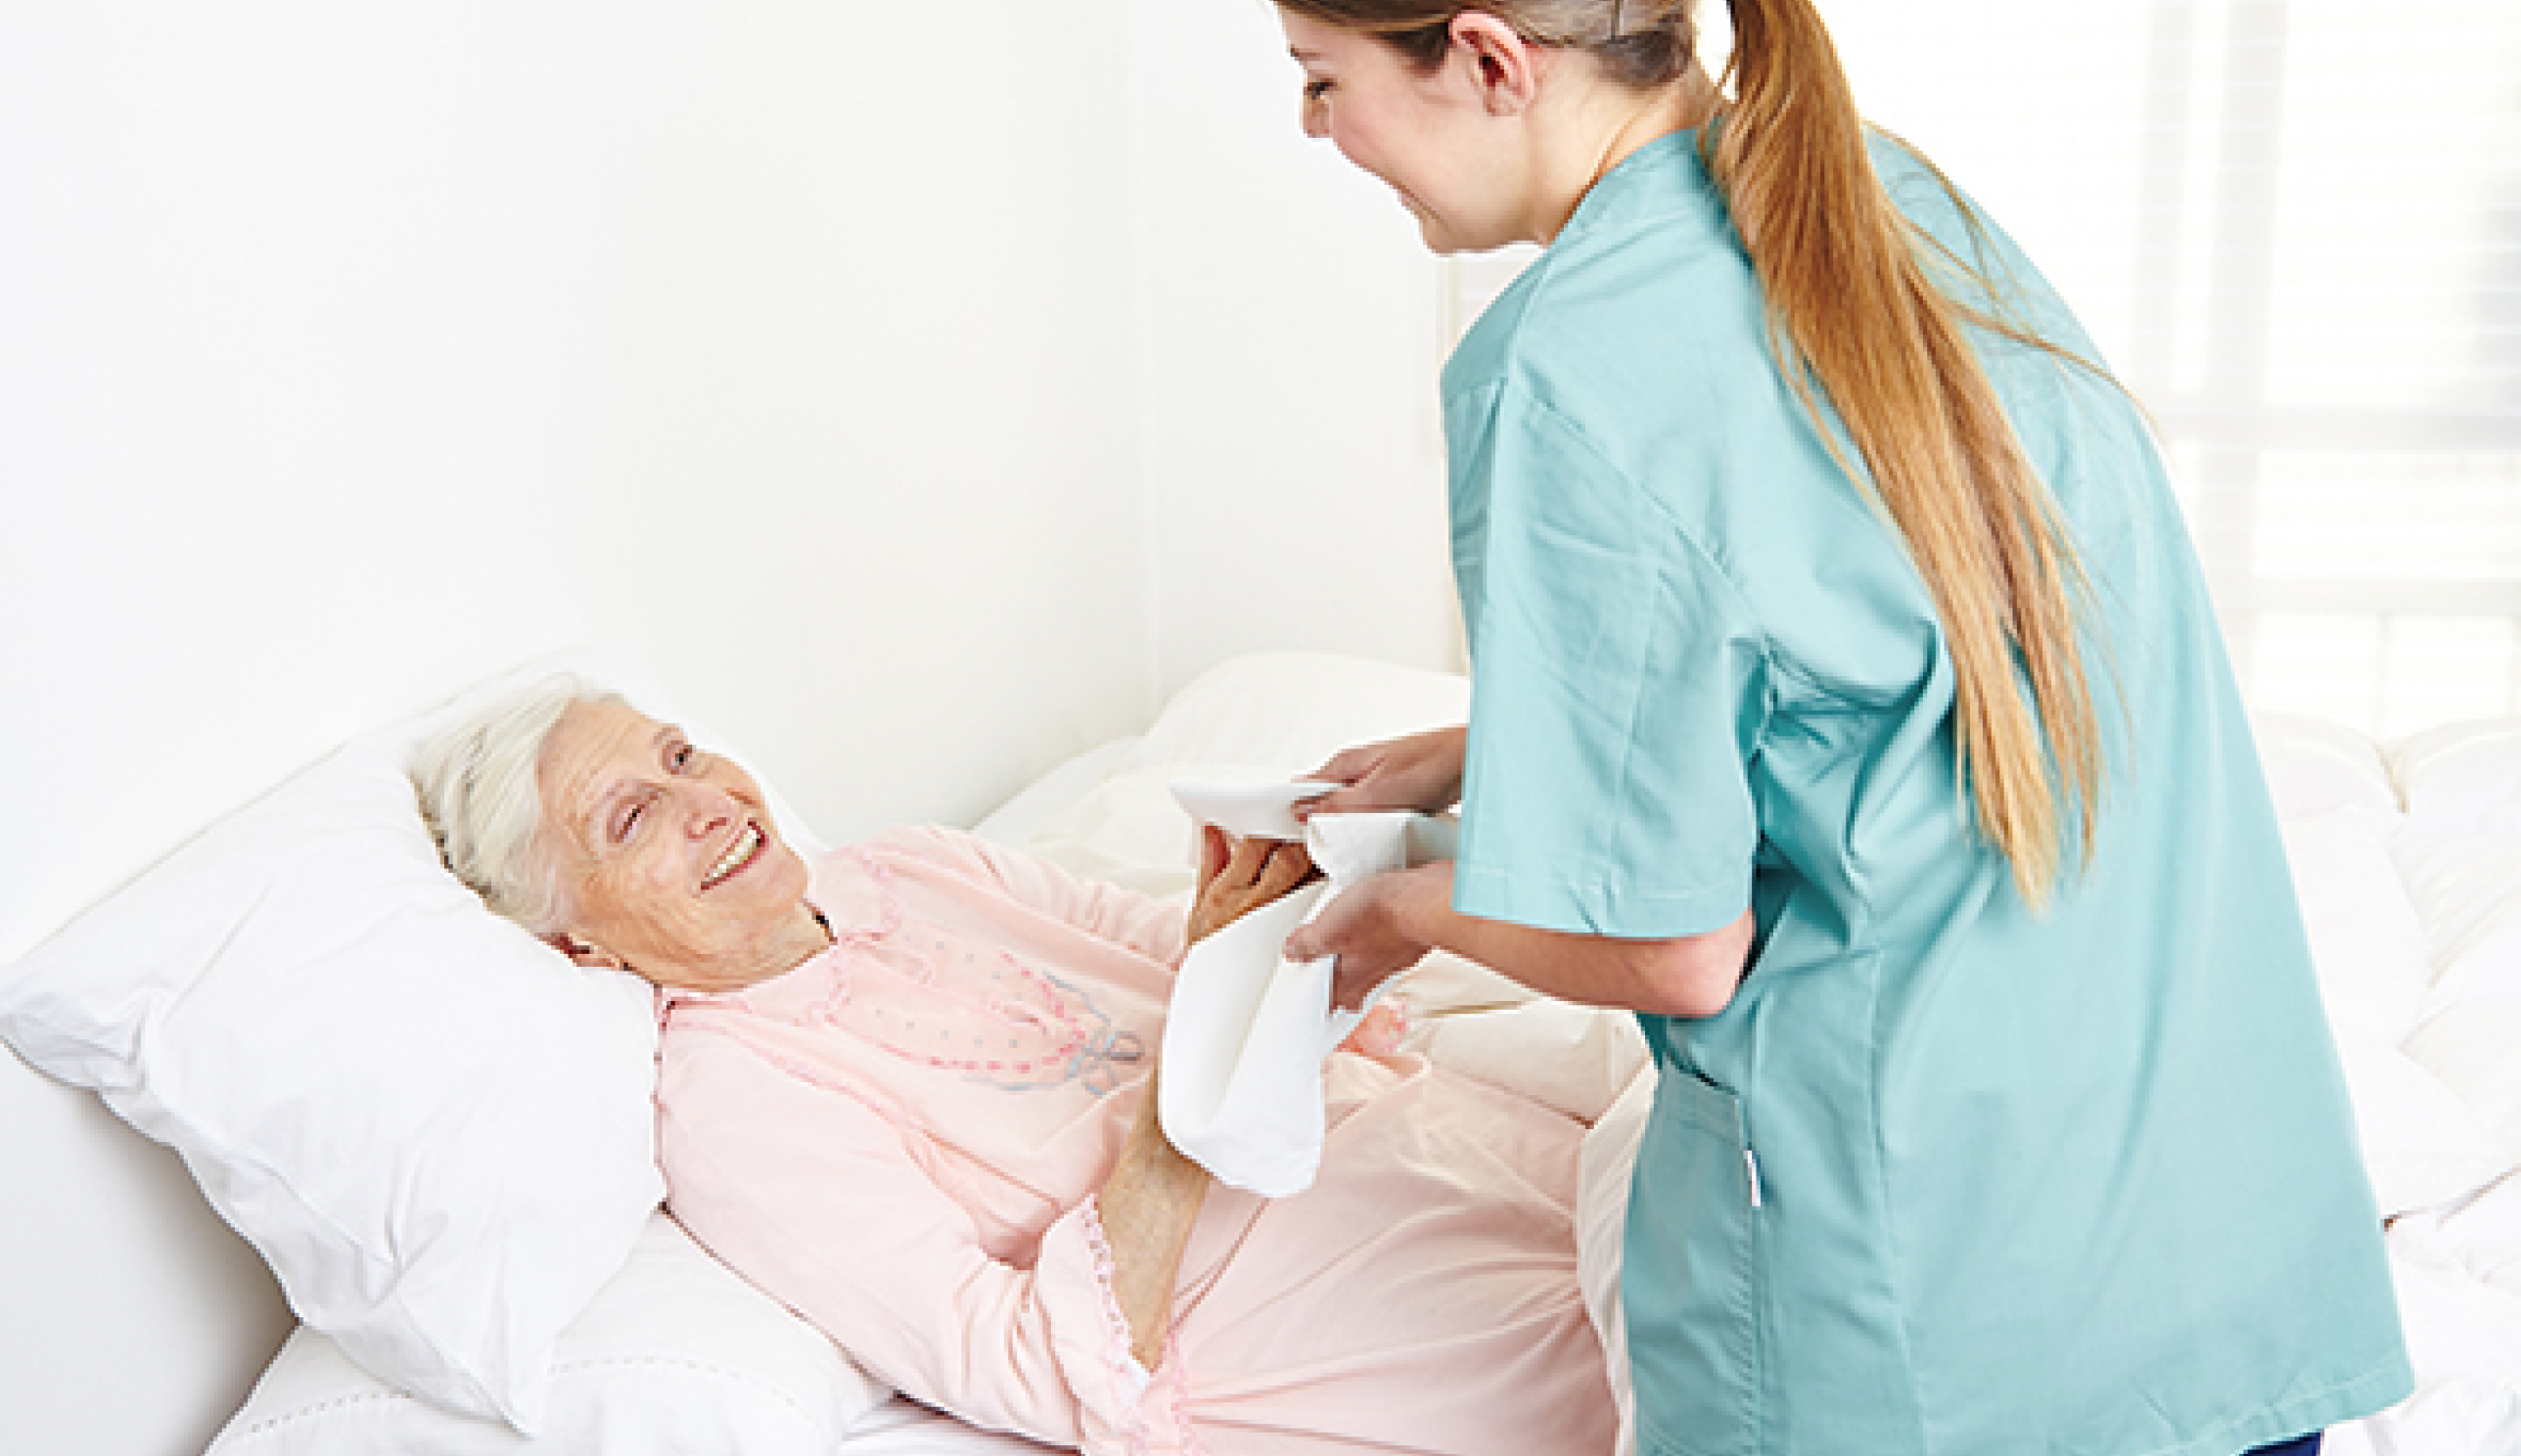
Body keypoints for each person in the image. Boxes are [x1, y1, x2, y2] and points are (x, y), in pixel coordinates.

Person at [1260, 3, 2412, 1455]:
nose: (1315, 129)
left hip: (1938, 1335)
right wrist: (1507, 748)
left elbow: (1670, 951)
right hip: (2219, 1266)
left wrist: (1401, 910)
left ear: (1492, 61)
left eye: (1322, 81)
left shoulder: (1564, 366)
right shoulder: (1877, 200)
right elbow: (1903, 637)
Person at [410, 682, 1618, 1456]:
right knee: (1668, 1375)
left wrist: (1279, 897)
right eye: (630, 819)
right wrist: (1205, 1049)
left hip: (1415, 1141)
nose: (706, 802)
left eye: (681, 756)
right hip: (1306, 1307)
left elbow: (1164, 948)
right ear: (578, 940)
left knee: (1688, 1213)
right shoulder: (729, 1102)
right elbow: (1021, 1361)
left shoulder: (906, 867)